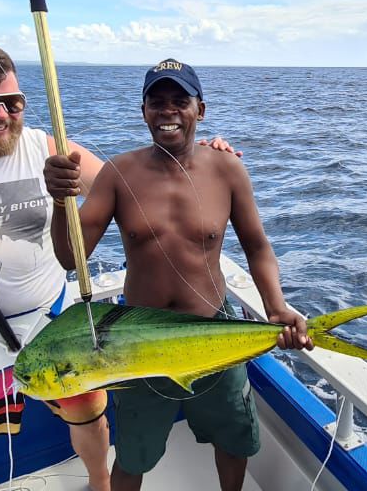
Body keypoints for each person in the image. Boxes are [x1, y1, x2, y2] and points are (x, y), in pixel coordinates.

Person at [0, 40, 238, 491]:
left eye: (12, 103)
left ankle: (99, 485)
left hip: (54, 326)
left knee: (91, 423)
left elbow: (132, 183)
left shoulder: (46, 146)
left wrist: (203, 159)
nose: (2, 116)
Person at [42, 58, 312, 491]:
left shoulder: (227, 169)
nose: (168, 111)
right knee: (133, 454)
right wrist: (59, 201)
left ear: (199, 110)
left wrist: (276, 306)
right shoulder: (118, 173)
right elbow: (69, 258)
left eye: (179, 101)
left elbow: (257, 246)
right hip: (138, 342)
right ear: (143, 111)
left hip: (214, 329)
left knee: (235, 441)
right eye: (157, 102)